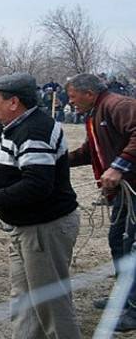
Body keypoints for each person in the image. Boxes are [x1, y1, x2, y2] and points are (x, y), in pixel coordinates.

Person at [0, 72, 81, 339]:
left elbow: (36, 186)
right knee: (25, 302)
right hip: (28, 229)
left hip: (43, 229)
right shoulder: (19, 125)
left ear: (14, 102)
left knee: (51, 304)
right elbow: (15, 157)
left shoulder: (34, 131)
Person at [66, 73, 136, 332]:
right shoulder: (96, 113)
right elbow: (90, 151)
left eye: (73, 98)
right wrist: (59, 162)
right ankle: (124, 297)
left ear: (89, 94)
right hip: (124, 193)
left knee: (132, 245)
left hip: (132, 189)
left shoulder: (119, 106)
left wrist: (118, 167)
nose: (71, 103)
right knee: (118, 240)